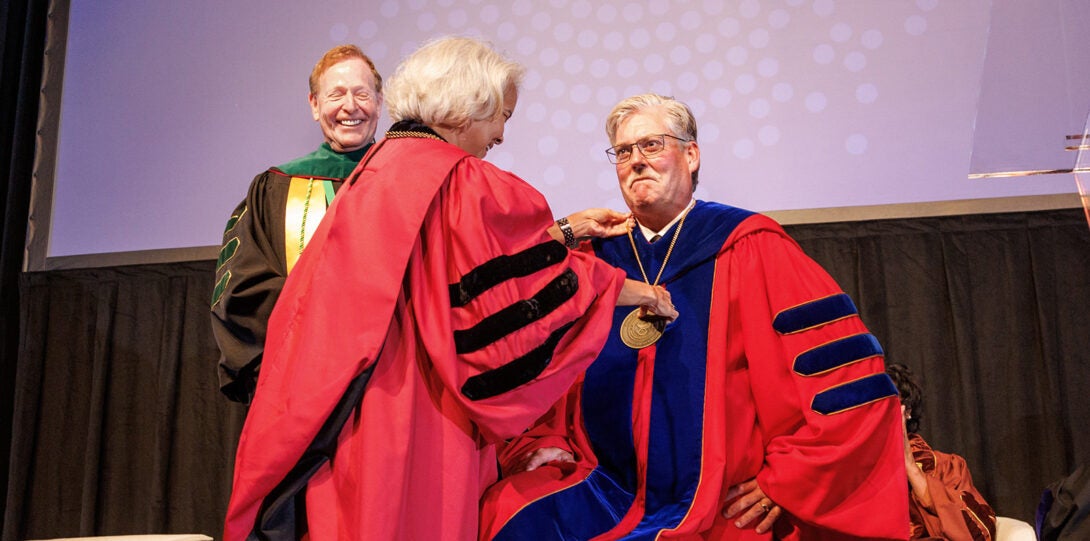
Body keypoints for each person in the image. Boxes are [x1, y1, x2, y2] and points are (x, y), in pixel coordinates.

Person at [222, 38, 677, 541]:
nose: (500, 133)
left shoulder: (376, 172)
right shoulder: (465, 181)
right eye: (499, 117)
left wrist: (565, 233)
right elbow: (502, 301)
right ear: (467, 109)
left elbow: (465, 269)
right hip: (420, 412)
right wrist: (629, 290)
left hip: (346, 420)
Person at [479, 93, 909, 540]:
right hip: (602, 487)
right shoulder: (593, 258)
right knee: (505, 516)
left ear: (691, 153)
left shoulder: (752, 246)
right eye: (623, 152)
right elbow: (535, 353)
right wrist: (547, 440)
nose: (636, 161)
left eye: (651, 145)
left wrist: (788, 479)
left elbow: (846, 379)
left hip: (721, 501)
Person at [210, 44, 384, 404]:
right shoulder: (275, 188)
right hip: (305, 386)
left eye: (362, 94)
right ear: (314, 105)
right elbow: (243, 290)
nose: (350, 106)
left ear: (380, 103)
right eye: (336, 94)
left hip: (393, 385)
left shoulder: (406, 182)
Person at [886, 363, 997, 540]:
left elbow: (980, 531)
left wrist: (911, 468)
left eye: (887, 405)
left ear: (907, 411)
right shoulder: (853, 473)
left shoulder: (948, 467)